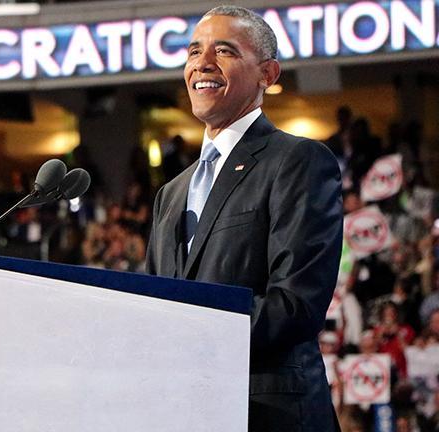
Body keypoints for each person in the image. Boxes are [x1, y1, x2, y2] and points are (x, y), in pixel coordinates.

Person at [145, 6, 342, 431]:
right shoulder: (170, 193)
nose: (202, 63)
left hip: (269, 414)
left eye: (225, 51)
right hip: (188, 411)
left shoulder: (298, 161)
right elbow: (154, 303)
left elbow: (296, 306)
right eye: (195, 50)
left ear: (267, 75)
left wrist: (188, 335)